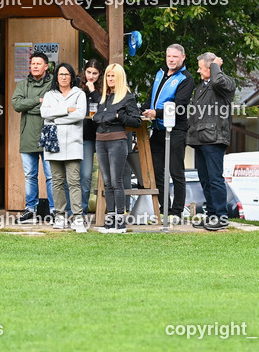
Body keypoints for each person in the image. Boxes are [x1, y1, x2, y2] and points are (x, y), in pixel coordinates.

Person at [141, 44, 194, 218]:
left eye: (175, 57)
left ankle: (177, 211)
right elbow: (152, 97)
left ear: (183, 57)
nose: (171, 59)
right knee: (157, 171)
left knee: (176, 171)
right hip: (157, 129)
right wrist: (142, 110)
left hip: (176, 130)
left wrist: (157, 113)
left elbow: (180, 106)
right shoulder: (160, 73)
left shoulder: (186, 78)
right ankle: (163, 208)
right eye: (169, 56)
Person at [187, 52, 236, 231]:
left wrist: (216, 65)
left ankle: (221, 217)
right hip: (199, 139)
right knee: (205, 180)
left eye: (202, 68)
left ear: (211, 68)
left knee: (215, 179)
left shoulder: (226, 83)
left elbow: (218, 81)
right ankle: (212, 215)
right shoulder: (201, 88)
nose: (199, 72)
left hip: (214, 139)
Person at [93, 64, 142, 234]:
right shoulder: (105, 97)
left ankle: (120, 222)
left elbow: (136, 121)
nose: (110, 79)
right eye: (108, 76)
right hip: (100, 141)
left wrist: (118, 116)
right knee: (107, 182)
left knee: (116, 181)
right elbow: (97, 118)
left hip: (117, 141)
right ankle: (110, 220)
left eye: (113, 76)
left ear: (119, 77)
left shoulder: (127, 97)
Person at [41, 63, 87, 232]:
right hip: (54, 144)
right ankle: (60, 215)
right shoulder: (49, 94)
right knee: (57, 182)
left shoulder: (79, 94)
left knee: (74, 182)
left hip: (73, 144)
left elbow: (80, 114)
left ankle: (77, 217)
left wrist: (56, 118)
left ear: (72, 76)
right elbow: (44, 113)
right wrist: (67, 109)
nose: (64, 77)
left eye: (67, 74)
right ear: (56, 77)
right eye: (61, 74)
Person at [12, 51, 55, 223]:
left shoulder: (53, 83)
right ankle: (30, 210)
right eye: (33, 64)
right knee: (30, 176)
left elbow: (53, 105)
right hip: (27, 136)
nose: (35, 66)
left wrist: (29, 105)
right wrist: (38, 100)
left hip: (48, 136)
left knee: (51, 176)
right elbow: (16, 104)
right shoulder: (23, 84)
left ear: (46, 66)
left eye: (39, 64)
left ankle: (54, 211)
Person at [78, 59, 103, 217]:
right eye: (89, 72)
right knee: (85, 174)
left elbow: (103, 108)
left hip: (102, 135)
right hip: (85, 136)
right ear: (84, 72)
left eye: (95, 73)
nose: (91, 76)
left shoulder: (104, 88)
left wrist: (93, 91)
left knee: (107, 176)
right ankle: (82, 210)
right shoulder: (78, 88)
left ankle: (109, 210)